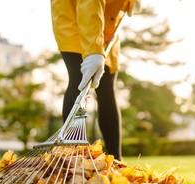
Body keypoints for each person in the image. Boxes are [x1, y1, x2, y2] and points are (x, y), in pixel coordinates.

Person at [50, 0, 141, 161]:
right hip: (73, 17)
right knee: (78, 80)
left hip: (107, 23)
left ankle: (116, 159)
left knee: (107, 88)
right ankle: (72, 158)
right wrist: (93, 51)